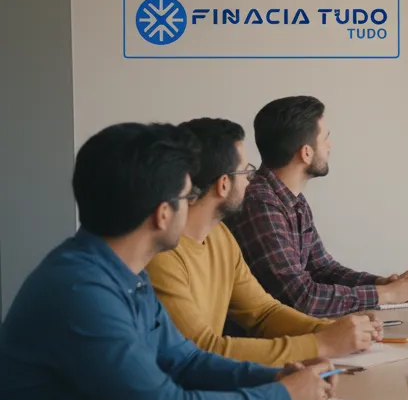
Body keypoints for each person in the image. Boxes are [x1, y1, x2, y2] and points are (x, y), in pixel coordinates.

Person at [0, 123, 336, 400]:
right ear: (162, 214)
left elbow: (184, 360)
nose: (193, 205)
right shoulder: (81, 292)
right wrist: (282, 398)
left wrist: (275, 375)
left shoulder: (123, 273)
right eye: (185, 196)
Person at [148, 118, 380, 367]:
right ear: (223, 184)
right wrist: (321, 343)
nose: (251, 180)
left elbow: (263, 312)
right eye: (245, 171)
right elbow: (202, 349)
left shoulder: (220, 236)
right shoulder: (161, 255)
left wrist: (331, 329)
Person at [227, 96, 408, 318]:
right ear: (306, 153)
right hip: (266, 343)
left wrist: (382, 282)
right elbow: (302, 299)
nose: (330, 145)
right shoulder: (259, 204)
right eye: (325, 138)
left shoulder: (293, 200)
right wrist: (384, 294)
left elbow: (323, 269)